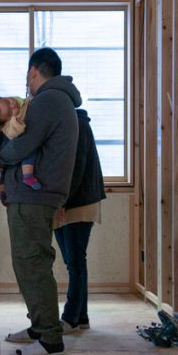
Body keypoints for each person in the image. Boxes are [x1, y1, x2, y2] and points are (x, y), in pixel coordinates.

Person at [0, 48, 81, 355]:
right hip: (35, 195)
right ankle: (39, 325)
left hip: (33, 197)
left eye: (27, 76)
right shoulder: (59, 100)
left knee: (32, 263)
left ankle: (49, 338)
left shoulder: (48, 101)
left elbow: (20, 145)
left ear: (34, 72)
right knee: (29, 262)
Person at [56, 106, 107, 334]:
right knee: (74, 262)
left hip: (77, 201)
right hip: (70, 200)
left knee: (75, 262)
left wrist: (62, 201)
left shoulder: (76, 124)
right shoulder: (71, 122)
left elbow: (75, 167)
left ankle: (71, 318)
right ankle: (81, 316)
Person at [0, 96, 41, 190]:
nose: (13, 105)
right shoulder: (11, 126)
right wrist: (16, 119)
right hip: (18, 154)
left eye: (8, 101)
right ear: (6, 122)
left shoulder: (15, 102)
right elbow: (18, 131)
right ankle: (27, 175)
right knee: (29, 155)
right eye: (10, 112)